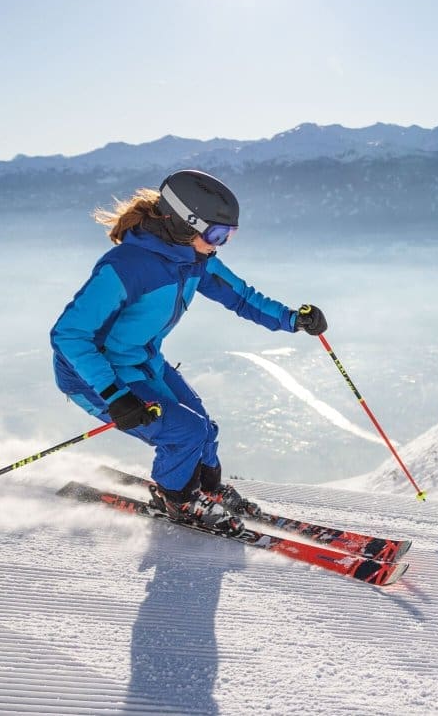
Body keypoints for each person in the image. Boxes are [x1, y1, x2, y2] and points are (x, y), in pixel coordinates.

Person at [50, 169, 328, 534]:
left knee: (204, 429)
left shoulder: (197, 260)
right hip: (92, 375)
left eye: (229, 235)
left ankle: (206, 489)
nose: (221, 243)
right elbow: (69, 335)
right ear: (184, 224)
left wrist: (292, 320)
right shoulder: (125, 268)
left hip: (141, 362)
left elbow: (241, 297)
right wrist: (114, 395)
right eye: (216, 234)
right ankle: (178, 499)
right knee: (185, 433)